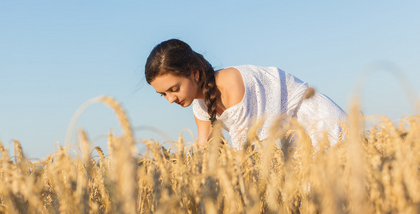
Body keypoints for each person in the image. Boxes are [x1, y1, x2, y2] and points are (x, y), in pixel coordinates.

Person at [145, 38, 346, 149]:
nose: (171, 99)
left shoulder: (231, 83)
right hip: (290, 140)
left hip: (318, 123)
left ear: (194, 74)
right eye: (163, 94)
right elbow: (204, 147)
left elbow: (245, 152)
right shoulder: (200, 104)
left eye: (174, 89)